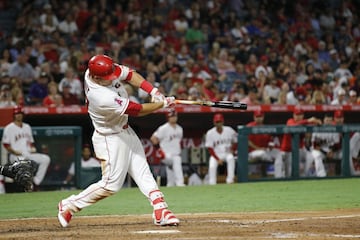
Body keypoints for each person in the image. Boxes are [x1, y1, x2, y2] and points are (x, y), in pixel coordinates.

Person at [57, 54, 179, 228]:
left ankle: (161, 210)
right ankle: (68, 205)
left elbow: (129, 74)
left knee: (142, 169)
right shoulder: (101, 97)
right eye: (109, 77)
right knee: (111, 185)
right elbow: (137, 110)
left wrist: (154, 92)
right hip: (109, 138)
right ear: (97, 78)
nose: (114, 77)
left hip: (124, 130)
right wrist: (163, 104)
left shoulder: (97, 70)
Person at [1, 106, 51, 188]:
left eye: (20, 113)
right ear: (14, 115)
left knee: (46, 159)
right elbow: (6, 145)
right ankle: (24, 186)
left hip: (27, 153)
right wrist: (14, 151)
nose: (19, 115)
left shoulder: (27, 127)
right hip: (15, 155)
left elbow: (30, 142)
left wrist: (32, 148)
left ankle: (36, 182)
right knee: (24, 163)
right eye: (17, 114)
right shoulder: (9, 128)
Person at [279, 108, 322, 178]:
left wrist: (317, 121)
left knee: (310, 157)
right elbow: (293, 126)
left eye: (300, 115)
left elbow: (318, 122)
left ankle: (304, 175)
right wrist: (308, 120)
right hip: (287, 151)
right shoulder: (290, 121)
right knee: (289, 174)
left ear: (303, 116)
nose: (298, 117)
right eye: (297, 115)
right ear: (293, 115)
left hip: (299, 150)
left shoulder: (304, 123)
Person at [150, 109, 185, 187]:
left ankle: (170, 185)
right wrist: (159, 150)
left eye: (174, 116)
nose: (173, 117)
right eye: (171, 116)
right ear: (168, 117)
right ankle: (180, 183)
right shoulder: (163, 128)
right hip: (166, 155)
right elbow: (153, 139)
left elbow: (179, 142)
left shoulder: (180, 129)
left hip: (176, 153)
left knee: (172, 166)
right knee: (176, 161)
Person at [246, 110, 282, 177]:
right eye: (257, 117)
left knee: (278, 153)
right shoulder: (249, 126)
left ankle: (278, 177)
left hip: (265, 151)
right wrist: (258, 148)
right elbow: (247, 141)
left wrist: (270, 146)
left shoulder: (266, 128)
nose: (259, 118)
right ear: (254, 117)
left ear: (263, 117)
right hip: (252, 153)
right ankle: (270, 158)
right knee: (262, 153)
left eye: (260, 116)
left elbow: (270, 141)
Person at [204, 113, 237, 185]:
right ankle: (212, 183)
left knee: (231, 158)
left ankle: (230, 180)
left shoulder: (229, 130)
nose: (218, 123)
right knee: (212, 166)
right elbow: (210, 148)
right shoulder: (210, 133)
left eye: (220, 121)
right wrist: (217, 159)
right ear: (214, 122)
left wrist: (233, 150)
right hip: (216, 154)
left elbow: (236, 141)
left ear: (223, 122)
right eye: (217, 122)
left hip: (227, 153)